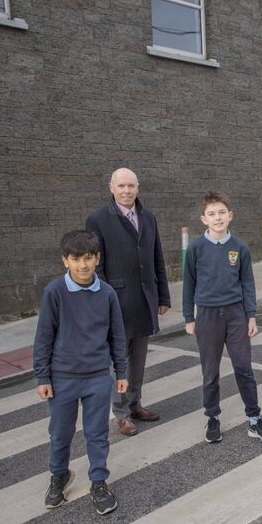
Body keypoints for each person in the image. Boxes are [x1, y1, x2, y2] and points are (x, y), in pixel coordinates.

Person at [33, 230, 128, 515]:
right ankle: (58, 475)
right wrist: (43, 376)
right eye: (76, 259)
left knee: (97, 433)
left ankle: (98, 482)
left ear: (97, 259)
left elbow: (117, 336)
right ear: (65, 261)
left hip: (98, 376)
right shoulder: (54, 292)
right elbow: (44, 336)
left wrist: (121, 371)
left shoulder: (107, 293)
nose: (83, 265)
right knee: (60, 433)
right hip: (62, 378)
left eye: (88, 258)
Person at [183, 192, 262, 444]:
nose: (218, 218)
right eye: (212, 214)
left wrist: (251, 316)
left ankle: (254, 419)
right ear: (204, 219)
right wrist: (188, 317)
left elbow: (247, 283)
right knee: (210, 371)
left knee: (244, 368)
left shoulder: (239, 247)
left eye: (222, 213)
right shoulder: (195, 247)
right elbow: (188, 284)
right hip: (207, 315)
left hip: (235, 315)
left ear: (230, 216)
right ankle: (212, 416)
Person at [86, 167, 170, 437]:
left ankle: (135, 404)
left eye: (131, 186)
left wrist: (163, 296)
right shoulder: (98, 219)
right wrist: (102, 300)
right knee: (118, 362)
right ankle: (121, 414)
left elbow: (157, 258)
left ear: (138, 187)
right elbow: (96, 266)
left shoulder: (148, 217)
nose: (126, 191)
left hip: (145, 300)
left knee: (139, 360)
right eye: (121, 186)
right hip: (117, 301)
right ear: (111, 188)